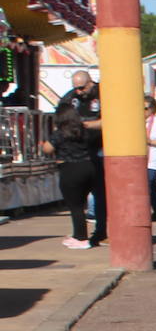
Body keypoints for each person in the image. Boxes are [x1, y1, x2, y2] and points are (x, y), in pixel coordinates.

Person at [57, 70, 105, 247]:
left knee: (101, 195)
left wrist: (83, 125)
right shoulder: (70, 98)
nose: (78, 91)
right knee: (77, 199)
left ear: (90, 82)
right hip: (80, 154)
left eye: (81, 87)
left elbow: (111, 120)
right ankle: (81, 234)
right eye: (75, 88)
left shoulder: (103, 93)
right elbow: (61, 118)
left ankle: (101, 232)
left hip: (102, 149)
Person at [41, 104, 98, 249]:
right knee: (87, 202)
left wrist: (44, 143)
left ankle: (81, 237)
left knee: (75, 206)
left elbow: (48, 148)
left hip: (70, 169)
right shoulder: (84, 131)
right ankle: (95, 233)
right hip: (89, 167)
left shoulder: (60, 133)